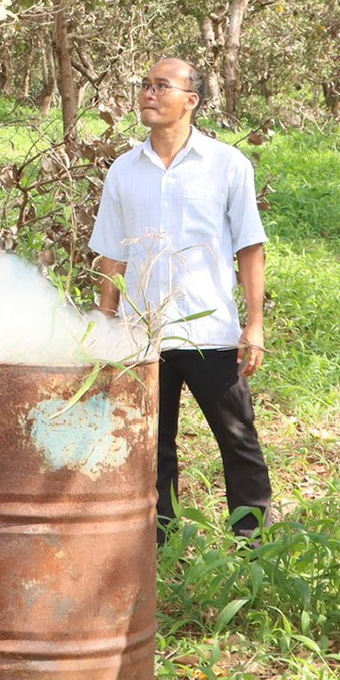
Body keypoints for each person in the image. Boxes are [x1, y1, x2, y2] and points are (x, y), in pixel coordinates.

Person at [90, 57, 274, 541]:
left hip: (209, 331)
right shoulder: (123, 171)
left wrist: (253, 324)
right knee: (152, 445)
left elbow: (249, 246)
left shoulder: (227, 165)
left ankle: (252, 541)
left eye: (162, 86)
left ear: (190, 101)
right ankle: (158, 542)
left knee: (237, 440)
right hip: (141, 335)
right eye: (145, 85)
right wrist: (105, 325)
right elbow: (112, 256)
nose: (149, 94)